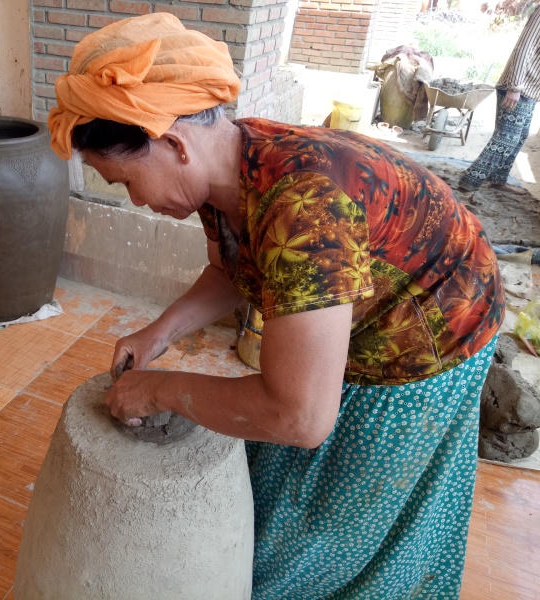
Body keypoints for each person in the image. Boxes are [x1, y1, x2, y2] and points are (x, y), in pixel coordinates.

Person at [49, 13, 505, 599]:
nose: (135, 200)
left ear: (173, 144)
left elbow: (301, 419)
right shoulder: (228, 167)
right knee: (277, 483)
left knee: (338, 533)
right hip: (366, 310)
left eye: (125, 183)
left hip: (434, 326)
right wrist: (159, 333)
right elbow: (232, 270)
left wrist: (162, 390)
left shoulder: (305, 207)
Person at [459, 6, 540, 192]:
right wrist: (515, 87)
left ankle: (498, 180)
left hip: (530, 91)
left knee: (520, 137)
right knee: (506, 139)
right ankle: (469, 181)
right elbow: (524, 49)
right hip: (518, 87)